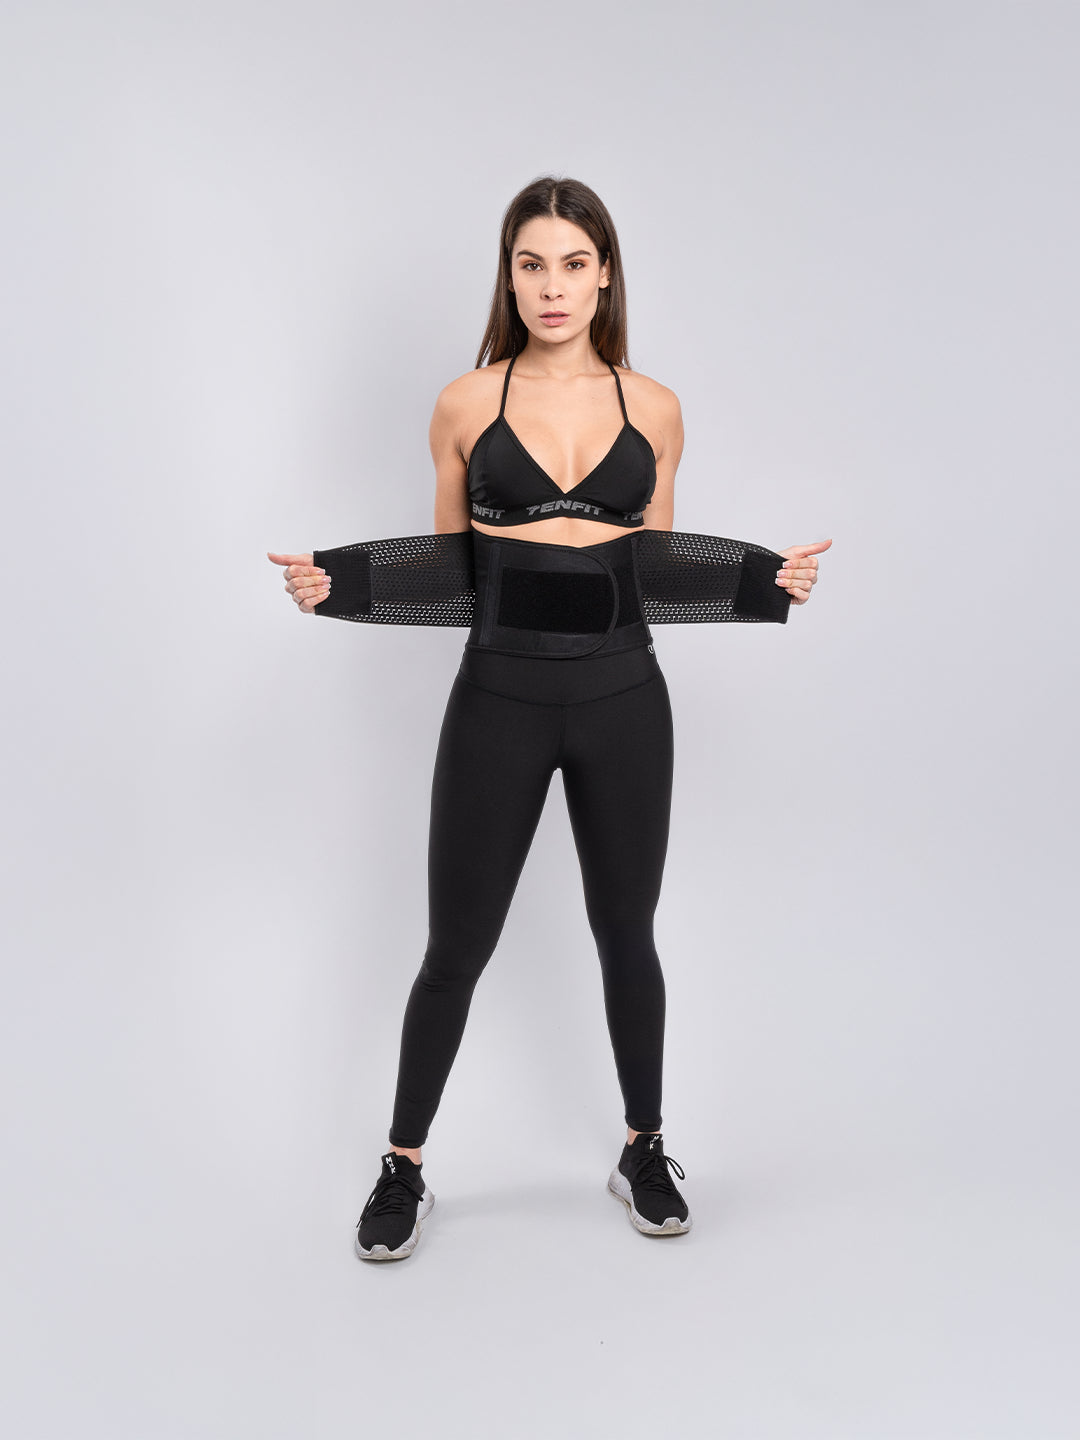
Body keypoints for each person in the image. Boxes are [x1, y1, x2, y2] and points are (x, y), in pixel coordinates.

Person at [268, 175, 829, 1262]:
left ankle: (644, 1147)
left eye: (574, 263)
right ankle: (404, 1164)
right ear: (510, 277)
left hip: (624, 700)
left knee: (627, 936)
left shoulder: (653, 407)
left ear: (605, 273)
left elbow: (653, 572)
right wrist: (345, 583)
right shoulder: (466, 403)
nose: (553, 285)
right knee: (455, 947)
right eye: (532, 265)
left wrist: (767, 583)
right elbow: (457, 571)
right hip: (500, 701)